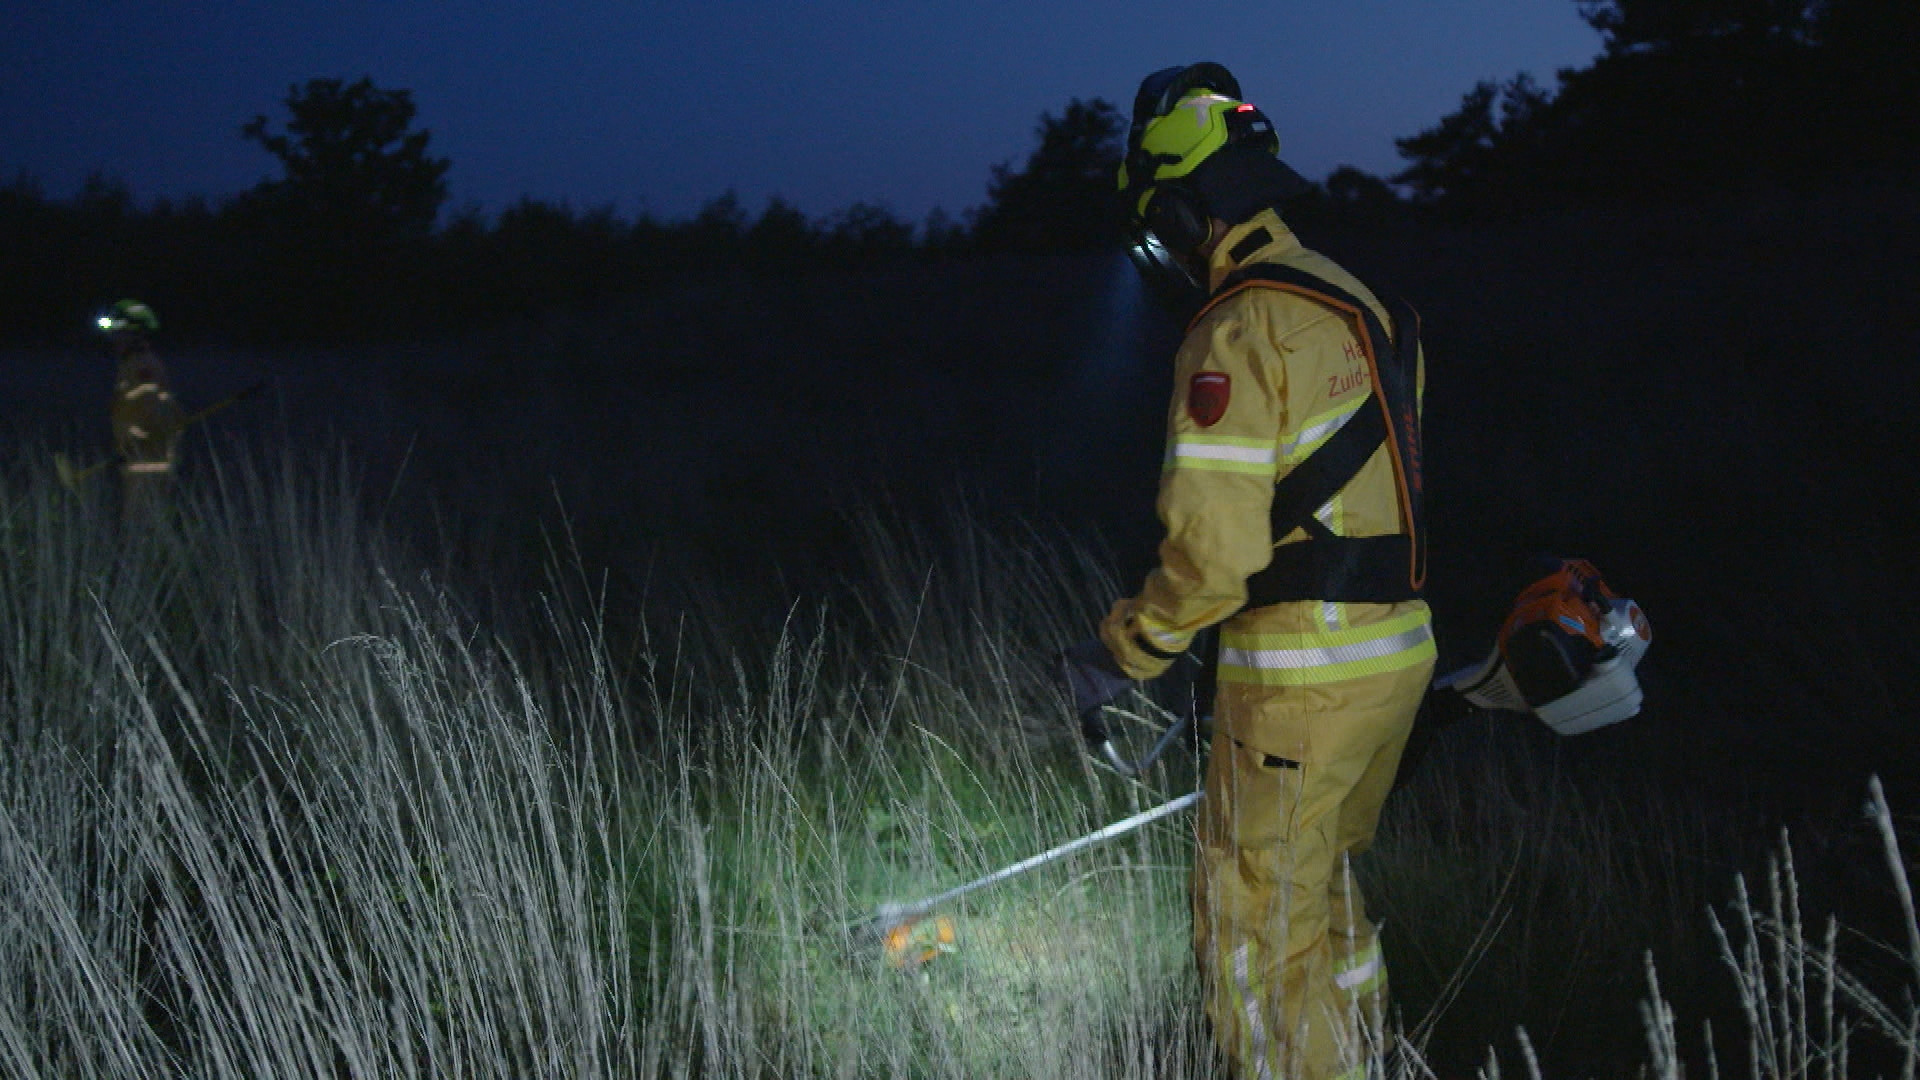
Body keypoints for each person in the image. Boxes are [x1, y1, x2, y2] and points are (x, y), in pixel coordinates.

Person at [1063, 63, 1434, 1080]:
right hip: (1394, 657)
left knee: (1253, 937)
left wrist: (1128, 649)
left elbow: (1218, 557)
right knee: (1323, 895)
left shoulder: (1235, 325)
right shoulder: (1361, 301)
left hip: (1298, 682)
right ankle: (1363, 1056)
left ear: (1184, 207)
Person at [97, 299, 185, 518]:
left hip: (149, 464)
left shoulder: (143, 367)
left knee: (143, 527)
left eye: (118, 332)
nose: (113, 339)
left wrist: (132, 443)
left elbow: (153, 413)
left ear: (134, 334)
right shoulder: (131, 366)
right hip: (137, 462)